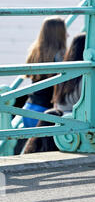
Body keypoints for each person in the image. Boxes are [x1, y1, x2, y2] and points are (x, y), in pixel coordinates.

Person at [23, 32, 86, 154]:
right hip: (66, 122)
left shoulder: (61, 71)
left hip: (31, 108)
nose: (67, 34)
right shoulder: (86, 76)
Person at [14, 17, 67, 154]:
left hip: (29, 107)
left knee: (32, 149)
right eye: (64, 31)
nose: (67, 35)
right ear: (59, 34)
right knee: (45, 152)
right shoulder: (60, 55)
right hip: (45, 112)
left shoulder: (35, 50)